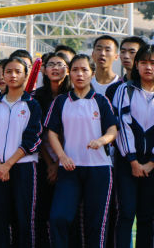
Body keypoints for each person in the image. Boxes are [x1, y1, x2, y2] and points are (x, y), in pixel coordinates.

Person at [45, 54, 118, 248]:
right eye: (75, 69)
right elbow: (51, 132)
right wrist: (61, 157)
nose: (79, 74)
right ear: (69, 72)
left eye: (84, 70)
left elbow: (113, 129)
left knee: (96, 223)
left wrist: (101, 141)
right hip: (69, 169)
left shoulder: (101, 101)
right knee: (58, 217)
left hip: (99, 168)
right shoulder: (61, 101)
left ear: (92, 73)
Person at [0, 57, 42, 248]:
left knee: (24, 220)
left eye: (17, 71)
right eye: (8, 71)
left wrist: (8, 164)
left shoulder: (32, 105)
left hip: (23, 168)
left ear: (26, 75)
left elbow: (33, 138)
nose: (13, 75)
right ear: (2, 75)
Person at [112, 43, 154, 248]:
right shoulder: (124, 90)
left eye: (153, 63)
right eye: (144, 62)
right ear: (136, 65)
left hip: (152, 165)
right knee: (126, 213)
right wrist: (133, 160)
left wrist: (152, 162)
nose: (148, 67)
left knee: (148, 216)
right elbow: (122, 124)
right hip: (127, 164)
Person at [31, 51, 72, 248]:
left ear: (68, 69)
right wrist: (50, 164)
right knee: (41, 213)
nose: (56, 68)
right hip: (42, 163)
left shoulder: (74, 95)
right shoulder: (36, 98)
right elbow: (37, 134)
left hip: (71, 162)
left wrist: (60, 162)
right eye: (51, 64)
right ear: (44, 70)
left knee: (64, 215)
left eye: (60, 64)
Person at [105, 35, 147, 103]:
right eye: (123, 52)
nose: (126, 56)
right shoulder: (113, 89)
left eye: (132, 52)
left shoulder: (149, 87)